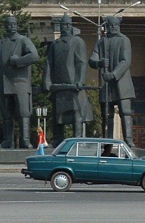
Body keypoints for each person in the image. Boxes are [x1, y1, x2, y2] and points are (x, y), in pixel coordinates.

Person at [43, 14, 94, 146]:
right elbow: (49, 63)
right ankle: (58, 139)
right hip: (58, 86)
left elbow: (81, 62)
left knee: (76, 113)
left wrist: (80, 81)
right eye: (63, 25)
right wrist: (47, 81)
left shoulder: (77, 42)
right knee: (58, 115)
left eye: (67, 25)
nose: (65, 27)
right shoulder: (55, 44)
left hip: (73, 86)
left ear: (71, 27)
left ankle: (77, 139)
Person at [0, 15, 40, 148]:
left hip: (21, 83)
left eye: (13, 24)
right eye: (8, 24)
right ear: (4, 26)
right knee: (6, 114)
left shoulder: (23, 40)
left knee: (24, 112)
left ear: (17, 26)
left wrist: (18, 61)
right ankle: (7, 141)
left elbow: (34, 56)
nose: (10, 27)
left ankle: (25, 140)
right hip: (4, 83)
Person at [89, 16, 136, 146]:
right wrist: (99, 62)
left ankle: (129, 140)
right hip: (106, 85)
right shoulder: (101, 42)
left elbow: (126, 61)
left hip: (122, 83)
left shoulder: (124, 40)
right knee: (107, 114)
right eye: (112, 25)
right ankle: (107, 142)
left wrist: (113, 74)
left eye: (116, 25)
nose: (114, 27)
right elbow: (92, 59)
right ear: (107, 27)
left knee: (125, 112)